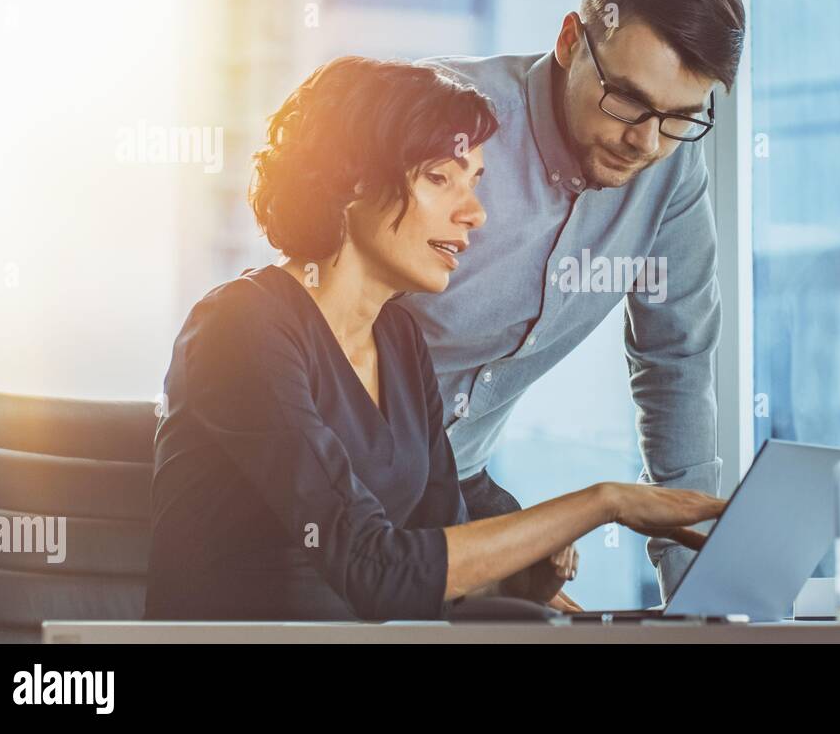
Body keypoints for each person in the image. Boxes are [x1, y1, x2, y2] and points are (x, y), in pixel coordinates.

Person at [144, 56, 724, 620]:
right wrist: (604, 503)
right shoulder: (241, 328)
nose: (473, 213)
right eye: (440, 178)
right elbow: (376, 570)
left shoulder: (396, 337)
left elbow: (440, 550)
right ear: (353, 182)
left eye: (474, 181)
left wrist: (528, 575)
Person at [398, 0, 746, 605]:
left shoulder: (669, 171)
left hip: (460, 477)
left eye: (680, 117)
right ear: (568, 41)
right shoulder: (448, 122)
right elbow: (316, 319)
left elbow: (675, 365)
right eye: (627, 100)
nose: (645, 142)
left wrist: (701, 601)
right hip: (358, 474)